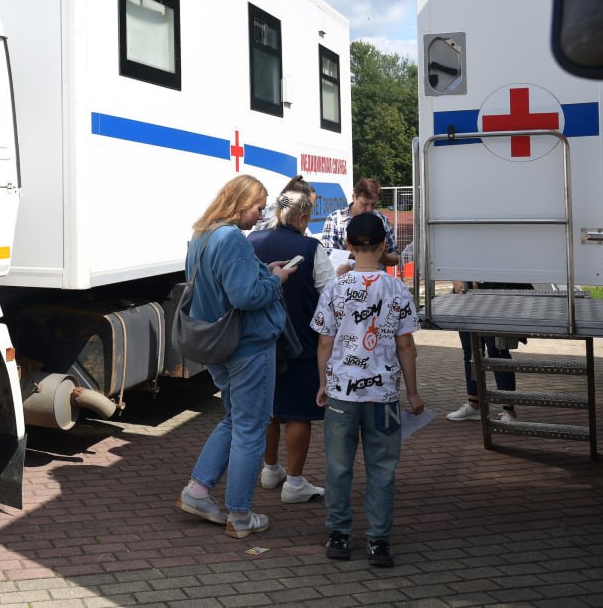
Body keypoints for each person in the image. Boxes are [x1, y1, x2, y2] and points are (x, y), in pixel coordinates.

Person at [174, 175, 297, 538]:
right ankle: (240, 516)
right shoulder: (231, 238)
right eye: (259, 206)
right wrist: (277, 280)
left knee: (234, 420)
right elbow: (245, 296)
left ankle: (197, 491)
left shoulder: (203, 234)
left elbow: (223, 284)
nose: (261, 214)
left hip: (216, 344)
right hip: (248, 346)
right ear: (242, 204)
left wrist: (264, 271)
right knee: (250, 429)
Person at [311, 212, 423, 567]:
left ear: (347, 245)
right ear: (383, 245)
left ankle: (339, 535)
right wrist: (413, 392)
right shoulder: (396, 289)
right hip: (384, 396)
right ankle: (379, 541)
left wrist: (323, 383)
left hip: (341, 393)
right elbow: (406, 344)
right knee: (382, 468)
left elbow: (324, 342)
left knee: (338, 466)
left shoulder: (335, 288)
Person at [249, 189, 333, 504]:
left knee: (269, 410)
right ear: (302, 217)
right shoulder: (311, 247)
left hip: (260, 340)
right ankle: (294, 483)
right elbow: (329, 296)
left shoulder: (252, 241)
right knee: (298, 413)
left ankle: (270, 469)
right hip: (301, 343)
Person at [445, 282, 522, 423]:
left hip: (494, 296)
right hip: (467, 299)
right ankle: (474, 404)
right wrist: (456, 280)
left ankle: (509, 410)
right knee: (471, 353)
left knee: (498, 352)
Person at [320, 178, 399, 268]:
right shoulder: (335, 219)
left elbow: (395, 256)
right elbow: (325, 252)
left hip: (376, 276)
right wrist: (357, 255)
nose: (369, 209)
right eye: (364, 204)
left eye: (373, 204)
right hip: (344, 276)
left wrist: (381, 257)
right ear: (354, 197)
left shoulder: (382, 220)